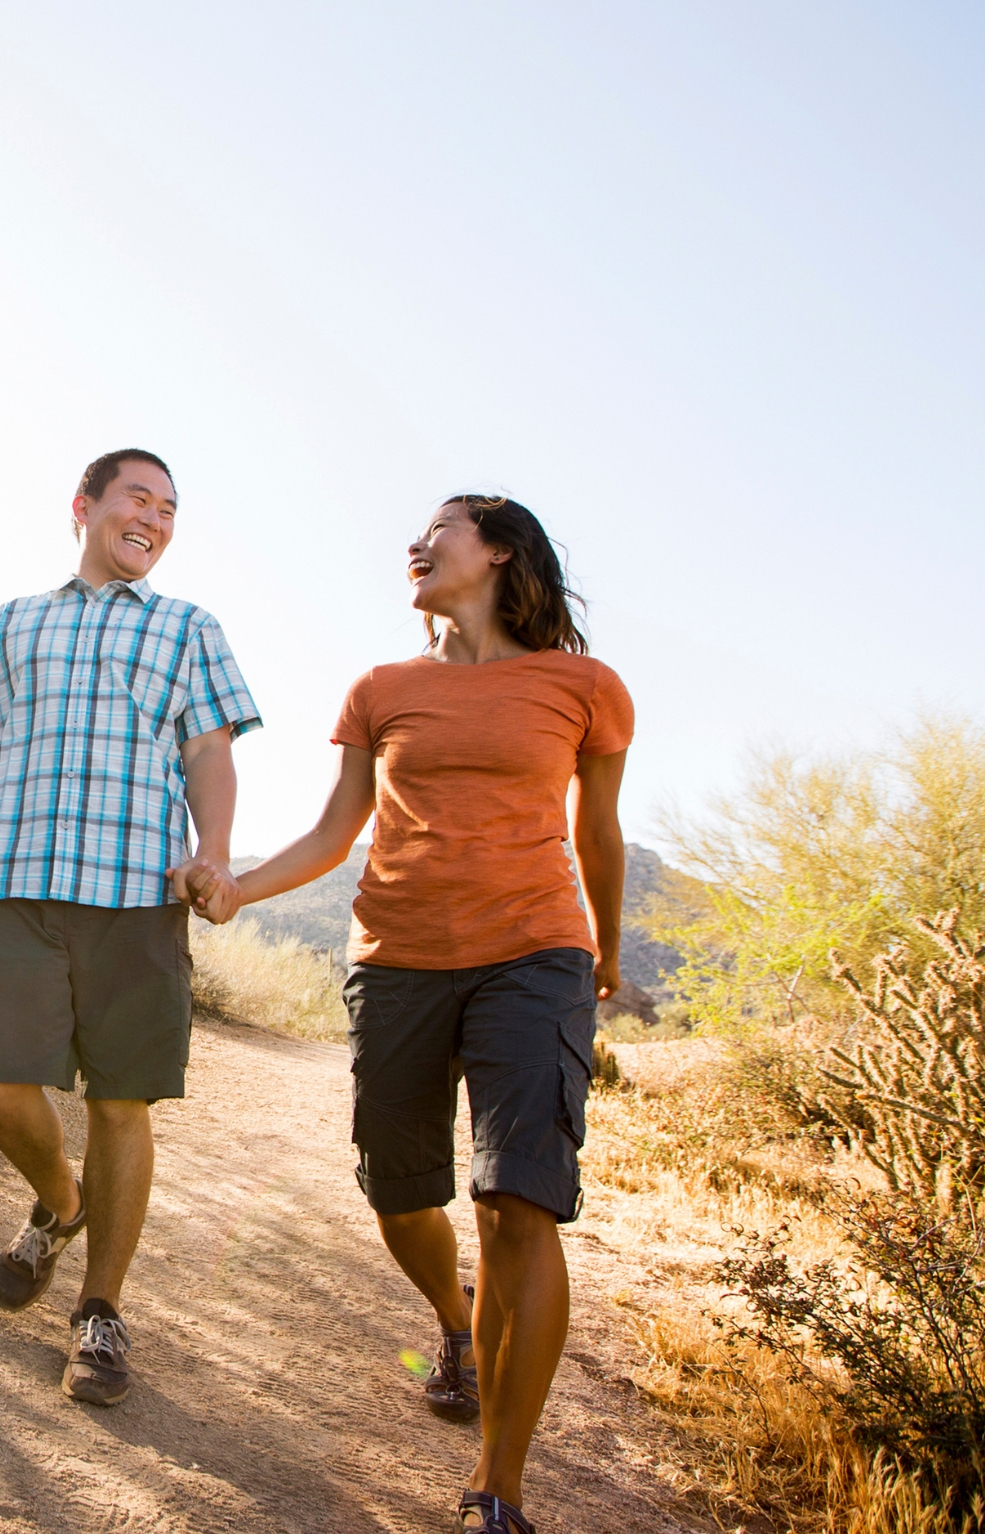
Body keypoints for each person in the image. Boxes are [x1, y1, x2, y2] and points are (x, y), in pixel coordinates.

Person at [183, 495, 629, 1534]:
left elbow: (596, 831)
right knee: (397, 1192)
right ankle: (456, 1323)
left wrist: (600, 957)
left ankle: (497, 1486)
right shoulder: (381, 689)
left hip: (534, 952)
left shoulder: (582, 685)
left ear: (500, 551)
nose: (415, 545)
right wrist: (238, 885)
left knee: (516, 1200)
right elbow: (337, 828)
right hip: (396, 959)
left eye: (441, 529)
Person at [0, 448, 261, 1407]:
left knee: (119, 1104)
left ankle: (99, 1311)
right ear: (84, 507)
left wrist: (213, 850)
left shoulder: (189, 628)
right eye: (136, 498)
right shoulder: (13, 622)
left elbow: (209, 753)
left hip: (139, 901)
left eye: (170, 508)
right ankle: (60, 1204)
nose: (154, 517)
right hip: (20, 886)